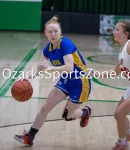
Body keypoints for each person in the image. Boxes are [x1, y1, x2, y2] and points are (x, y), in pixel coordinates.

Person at [14, 16, 91, 146]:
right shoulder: (47, 49)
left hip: (80, 82)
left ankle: (85, 112)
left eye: (56, 31)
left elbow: (69, 68)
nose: (53, 34)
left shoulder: (65, 44)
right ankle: (30, 136)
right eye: (50, 32)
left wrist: (49, 68)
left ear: (60, 32)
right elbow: (40, 66)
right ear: (45, 33)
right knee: (45, 108)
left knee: (67, 116)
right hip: (66, 81)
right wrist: (27, 78)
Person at [92, 20, 130, 150]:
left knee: (119, 113)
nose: (114, 32)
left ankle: (122, 142)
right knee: (118, 114)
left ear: (126, 34)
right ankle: (129, 133)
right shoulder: (123, 49)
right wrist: (94, 73)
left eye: (117, 29)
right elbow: (114, 72)